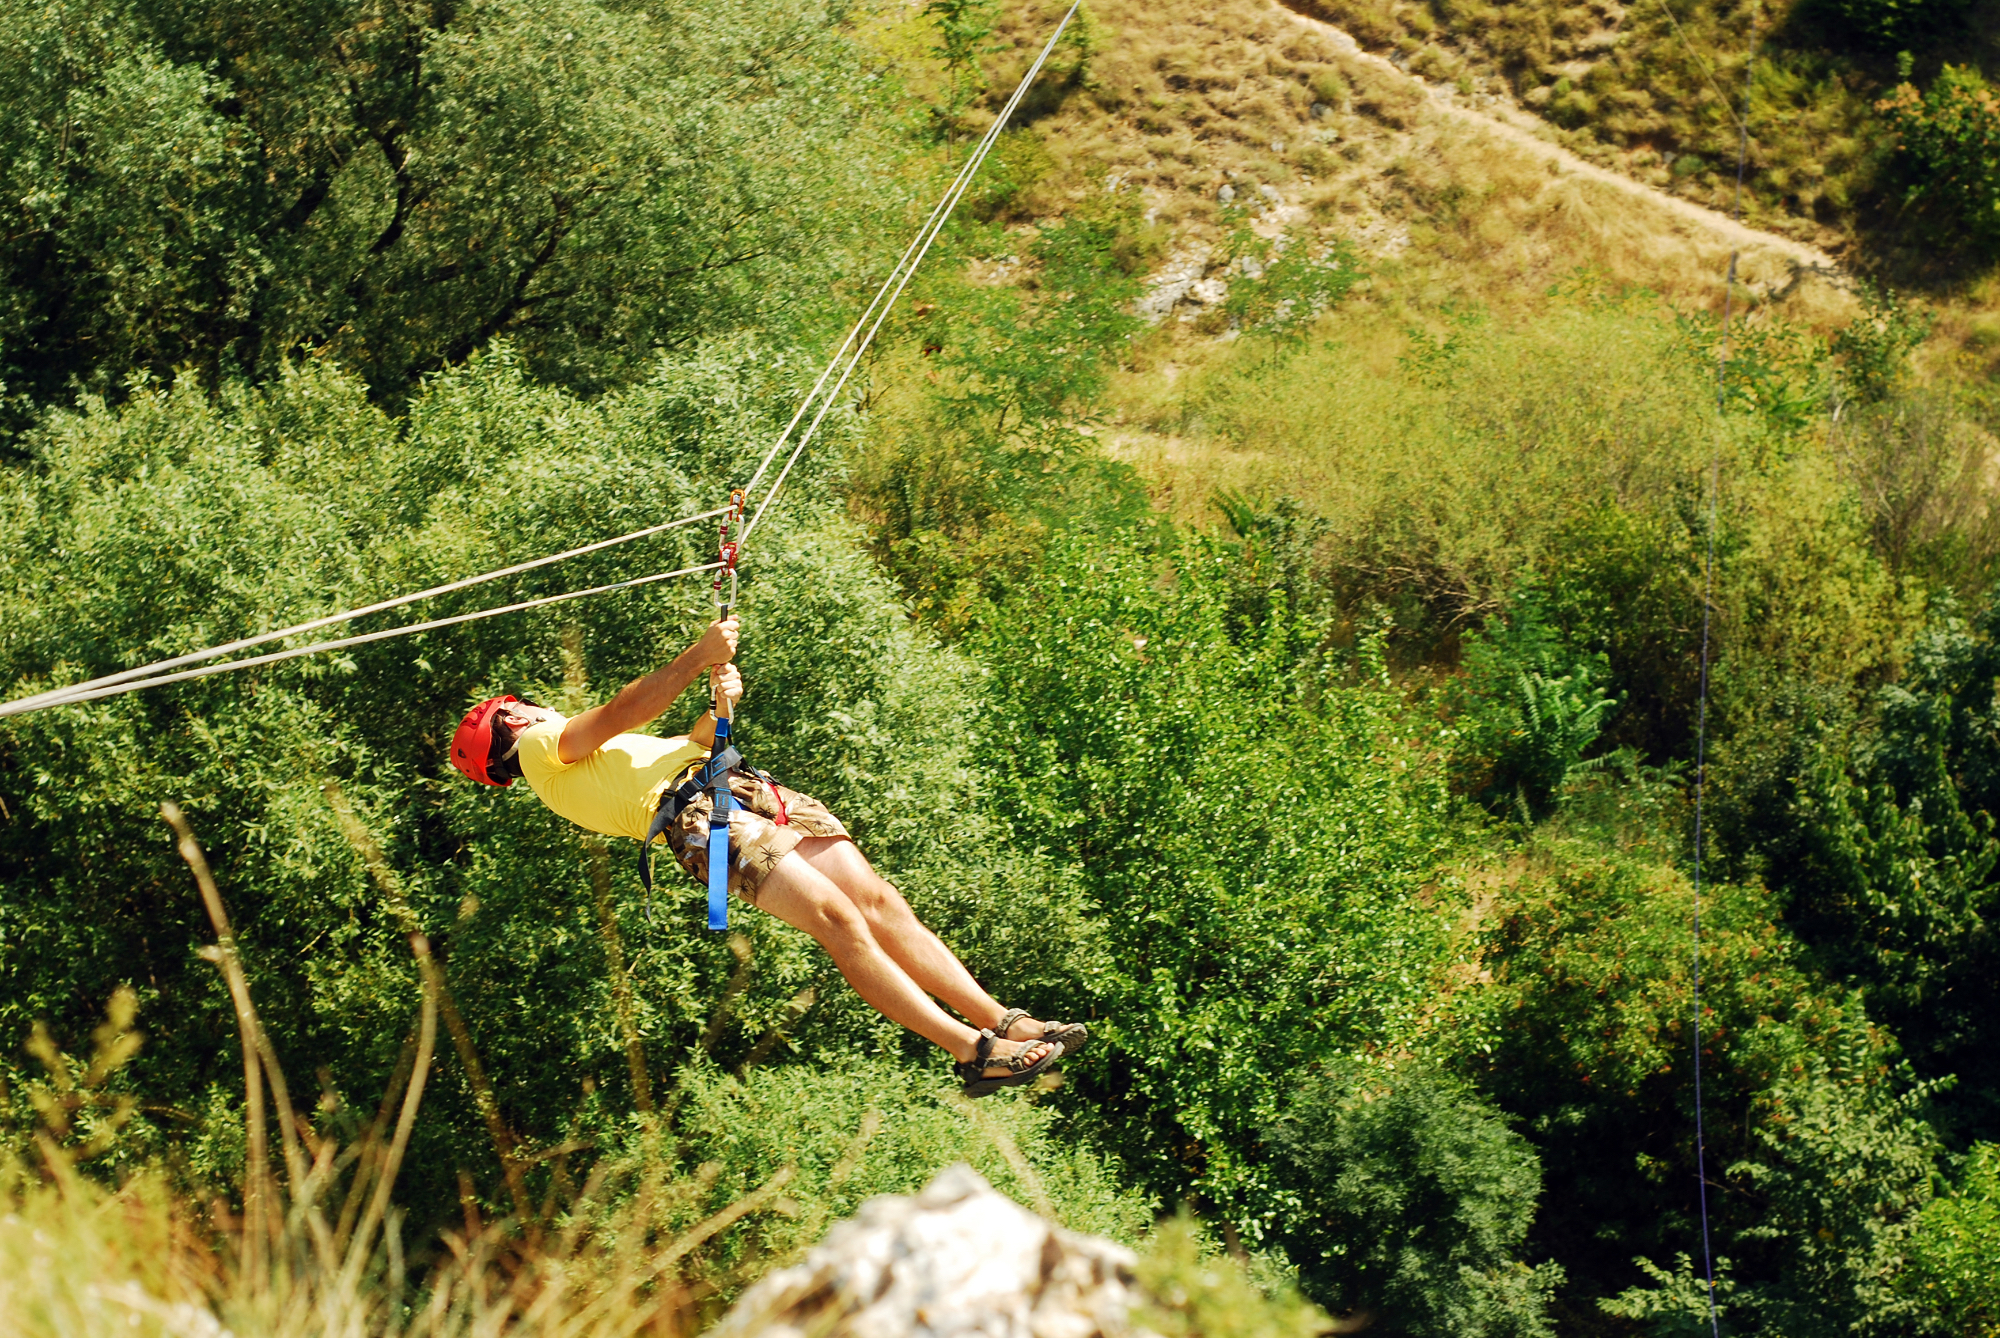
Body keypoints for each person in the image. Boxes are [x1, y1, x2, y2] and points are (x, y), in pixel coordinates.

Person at [448, 616, 1082, 1096]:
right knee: (841, 921)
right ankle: (973, 1051)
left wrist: (720, 700)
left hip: (732, 787)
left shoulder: (584, 764)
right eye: (520, 706)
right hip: (703, 819)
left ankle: (1007, 1022)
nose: (534, 705)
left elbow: (691, 742)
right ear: (508, 723)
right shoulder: (540, 749)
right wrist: (699, 655)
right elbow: (620, 711)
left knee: (879, 903)